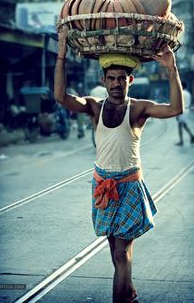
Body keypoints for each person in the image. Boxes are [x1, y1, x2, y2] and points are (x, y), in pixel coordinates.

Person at [54, 30, 184, 303]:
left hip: (128, 187)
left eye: (121, 79)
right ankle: (130, 294)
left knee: (120, 253)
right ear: (103, 80)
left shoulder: (138, 109)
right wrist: (62, 55)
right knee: (116, 249)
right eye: (111, 78)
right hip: (102, 186)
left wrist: (172, 69)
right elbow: (61, 97)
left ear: (130, 80)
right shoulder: (93, 107)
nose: (115, 84)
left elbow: (175, 109)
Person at [175, 81, 194, 146]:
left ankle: (182, 141)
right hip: (187, 110)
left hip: (182, 110)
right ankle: (191, 136)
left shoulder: (181, 93)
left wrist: (177, 114)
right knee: (183, 124)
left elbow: (179, 103)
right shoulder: (188, 93)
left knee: (180, 125)